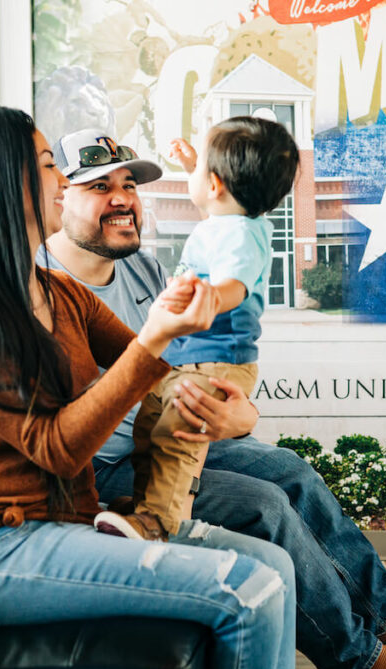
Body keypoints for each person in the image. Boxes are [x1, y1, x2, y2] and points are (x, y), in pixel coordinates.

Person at [0, 103, 296, 669]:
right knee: (250, 590)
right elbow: (59, 449)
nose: (62, 180)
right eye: (47, 164)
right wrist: (156, 337)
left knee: (274, 565)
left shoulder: (58, 292)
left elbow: (158, 370)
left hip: (66, 520)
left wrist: (235, 413)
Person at [39, 125, 386, 669]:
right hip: (113, 465)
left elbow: (195, 362)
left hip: (180, 424)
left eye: (129, 184)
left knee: (291, 471)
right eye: (98, 187)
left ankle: (384, 603)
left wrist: (241, 417)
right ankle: (359, 660)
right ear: (59, 193)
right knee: (266, 505)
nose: (122, 199)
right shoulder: (40, 284)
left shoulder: (144, 267)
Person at [87, 118, 299, 541]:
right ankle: (145, 505)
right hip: (188, 359)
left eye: (201, 167)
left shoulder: (241, 236)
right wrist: (193, 166)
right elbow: (214, 206)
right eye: (99, 187)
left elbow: (234, 284)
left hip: (213, 360)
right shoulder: (228, 221)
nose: (123, 198)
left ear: (216, 184)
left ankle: (157, 522)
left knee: (175, 438)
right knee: (151, 426)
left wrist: (209, 297)